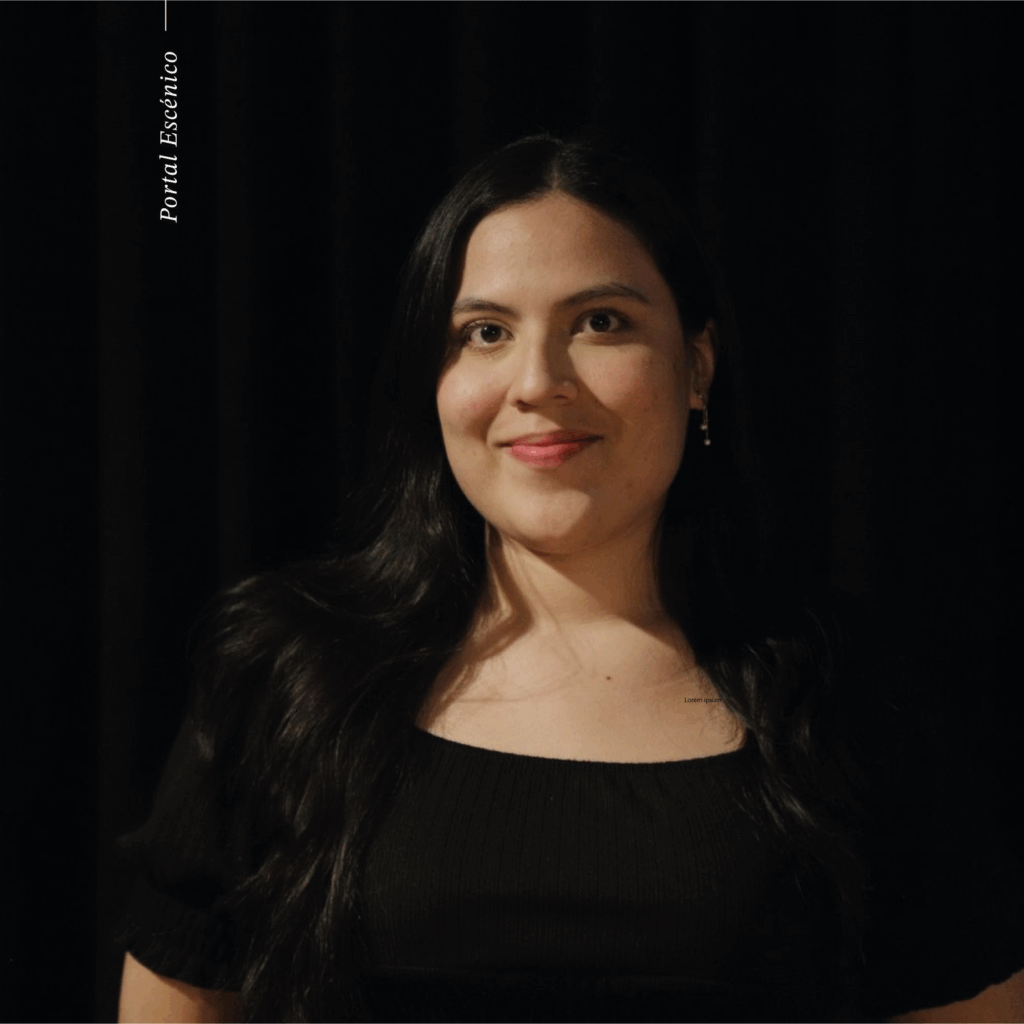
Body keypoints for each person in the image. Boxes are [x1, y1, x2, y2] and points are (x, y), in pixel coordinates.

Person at [117, 134, 1024, 1023]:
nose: (538, 381)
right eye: (484, 333)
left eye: (600, 322)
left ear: (697, 366)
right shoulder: (283, 678)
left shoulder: (850, 695)